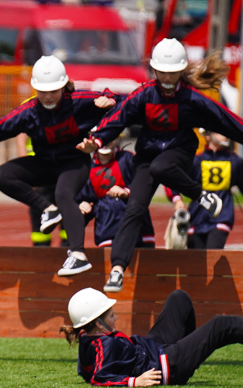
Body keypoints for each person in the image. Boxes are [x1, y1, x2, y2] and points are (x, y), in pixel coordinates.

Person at [78, 39, 243, 292]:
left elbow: (225, 119)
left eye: (172, 72)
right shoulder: (144, 94)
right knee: (133, 208)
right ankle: (117, 269)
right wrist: (96, 139)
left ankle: (201, 196)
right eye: (162, 71)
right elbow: (118, 116)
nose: (166, 77)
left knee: (160, 168)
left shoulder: (192, 99)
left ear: (180, 71)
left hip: (179, 152)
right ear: (154, 70)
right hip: (148, 154)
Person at [0, 55, 116, 276]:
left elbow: (125, 101)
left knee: (64, 194)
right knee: (1, 175)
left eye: (53, 91)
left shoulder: (80, 101)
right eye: (43, 92)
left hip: (74, 162)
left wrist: (110, 99)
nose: (48, 97)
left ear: (64, 87)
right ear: (35, 90)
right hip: (44, 163)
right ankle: (48, 209)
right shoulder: (27, 112)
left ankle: (78, 255)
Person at [61, 288, 243, 387]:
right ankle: (185, 361)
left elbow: (85, 372)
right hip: (166, 365)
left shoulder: (86, 336)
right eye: (111, 315)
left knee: (179, 298)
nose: (115, 318)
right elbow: (98, 378)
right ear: (99, 324)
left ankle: (189, 355)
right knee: (222, 325)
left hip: (152, 349)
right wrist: (134, 381)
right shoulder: (103, 345)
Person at [166, 130, 243, 249]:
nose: (225, 135)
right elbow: (173, 179)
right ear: (208, 136)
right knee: (197, 261)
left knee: (213, 252)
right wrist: (177, 200)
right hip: (196, 218)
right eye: (219, 132)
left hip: (222, 217)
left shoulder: (235, 161)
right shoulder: (195, 160)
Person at [76, 138, 155, 248]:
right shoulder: (87, 168)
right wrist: (82, 207)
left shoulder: (129, 159)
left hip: (139, 230)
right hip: (107, 230)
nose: (105, 141)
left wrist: (127, 192)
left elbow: (146, 186)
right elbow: (84, 201)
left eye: (109, 136)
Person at [15, 132, 67, 247]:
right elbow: (21, 140)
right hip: (39, 172)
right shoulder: (32, 115)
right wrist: (27, 172)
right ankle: (41, 250)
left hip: (64, 170)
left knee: (68, 212)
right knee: (40, 213)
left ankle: (69, 248)